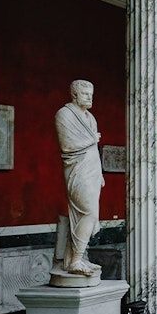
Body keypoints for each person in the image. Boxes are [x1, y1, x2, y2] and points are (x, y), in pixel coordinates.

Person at [54, 79, 104, 276]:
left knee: (89, 215)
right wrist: (92, 138)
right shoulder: (64, 114)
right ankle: (75, 259)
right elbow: (67, 146)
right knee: (88, 213)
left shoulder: (91, 118)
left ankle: (78, 257)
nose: (90, 98)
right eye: (85, 94)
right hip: (77, 171)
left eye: (91, 94)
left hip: (92, 171)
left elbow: (94, 149)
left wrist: (99, 173)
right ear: (74, 95)